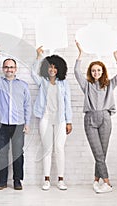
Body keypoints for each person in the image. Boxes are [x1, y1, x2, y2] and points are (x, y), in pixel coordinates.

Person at [74, 41, 117, 193]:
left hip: (105, 119)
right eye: (94, 70)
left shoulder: (110, 84)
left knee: (101, 152)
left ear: (103, 71)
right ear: (91, 72)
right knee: (98, 152)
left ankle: (97, 180)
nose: (96, 73)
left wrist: (116, 56)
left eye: (99, 70)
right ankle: (108, 183)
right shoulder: (87, 85)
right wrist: (80, 54)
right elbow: (76, 72)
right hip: (90, 119)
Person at [0, 45, 31, 190]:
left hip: (18, 124)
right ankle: (2, 181)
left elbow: (27, 106)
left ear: (15, 69)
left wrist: (27, 123)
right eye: (6, 67)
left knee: (18, 154)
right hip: (1, 124)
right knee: (2, 154)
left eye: (11, 67)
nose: (9, 69)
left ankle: (17, 180)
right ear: (3, 69)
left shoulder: (23, 86)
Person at [31, 46, 72, 191]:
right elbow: (32, 72)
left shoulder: (64, 84)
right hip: (45, 119)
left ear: (59, 69)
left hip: (60, 120)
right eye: (50, 67)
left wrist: (69, 121)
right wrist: (38, 57)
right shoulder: (42, 81)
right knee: (47, 149)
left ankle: (61, 179)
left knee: (59, 148)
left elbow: (68, 103)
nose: (52, 70)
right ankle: (46, 179)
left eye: (55, 68)